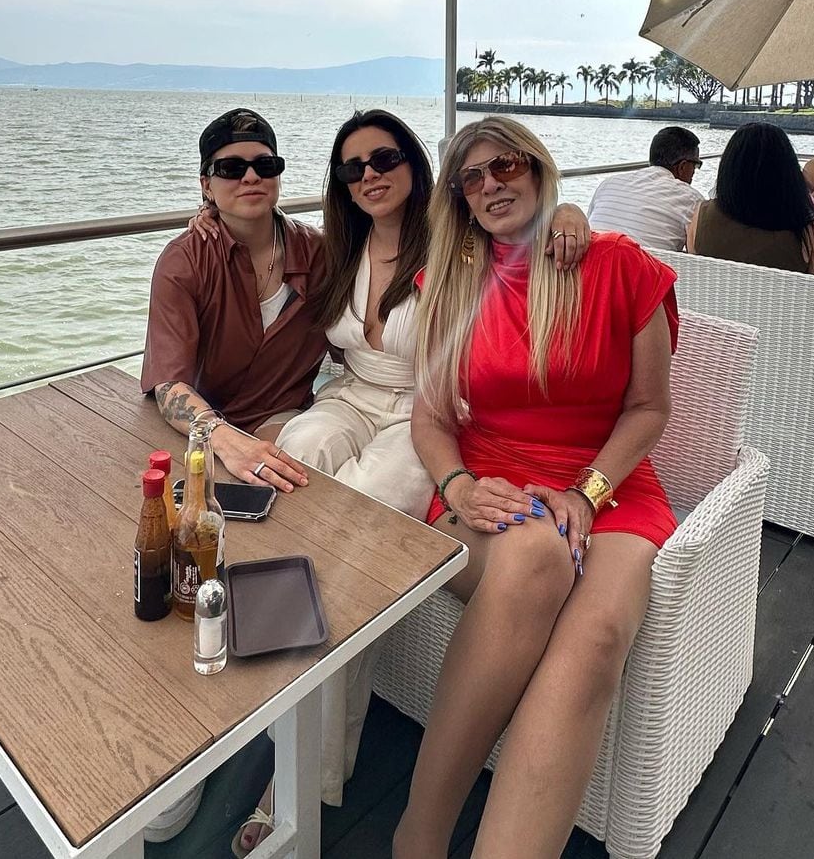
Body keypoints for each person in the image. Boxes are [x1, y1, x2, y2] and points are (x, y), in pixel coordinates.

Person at [181, 110, 592, 852]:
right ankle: (257, 686)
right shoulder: (329, 246)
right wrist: (208, 215)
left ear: (412, 164)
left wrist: (568, 208)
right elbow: (256, 242)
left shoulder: (453, 242)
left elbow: (522, 220)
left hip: (425, 413)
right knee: (290, 472)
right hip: (348, 395)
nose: (368, 173)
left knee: (356, 542)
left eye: (384, 157)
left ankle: (307, 771)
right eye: (351, 166)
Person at [393, 117, 678, 859]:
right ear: (459, 199)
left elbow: (650, 410)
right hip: (489, 486)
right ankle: (419, 839)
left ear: (538, 168)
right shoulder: (449, 284)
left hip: (608, 487)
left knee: (594, 644)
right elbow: (430, 421)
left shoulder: (619, 265)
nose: (492, 185)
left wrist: (585, 493)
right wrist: (456, 487)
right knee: (535, 556)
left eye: (506, 165)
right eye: (472, 178)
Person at [141, 106, 327, 488]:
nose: (251, 177)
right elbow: (168, 384)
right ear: (206, 185)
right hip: (199, 428)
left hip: (286, 421)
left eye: (266, 164)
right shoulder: (184, 261)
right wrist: (226, 440)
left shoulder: (318, 253)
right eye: (231, 169)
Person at [687, 123, 814, 276]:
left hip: (712, 299)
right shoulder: (806, 227)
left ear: (728, 168)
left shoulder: (701, 214)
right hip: (781, 299)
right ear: (789, 172)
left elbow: (695, 269)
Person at [586, 125, 704, 250]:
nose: (694, 172)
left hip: (592, 266)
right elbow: (698, 253)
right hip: (646, 267)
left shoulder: (608, 184)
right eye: (696, 165)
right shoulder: (692, 200)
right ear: (682, 166)